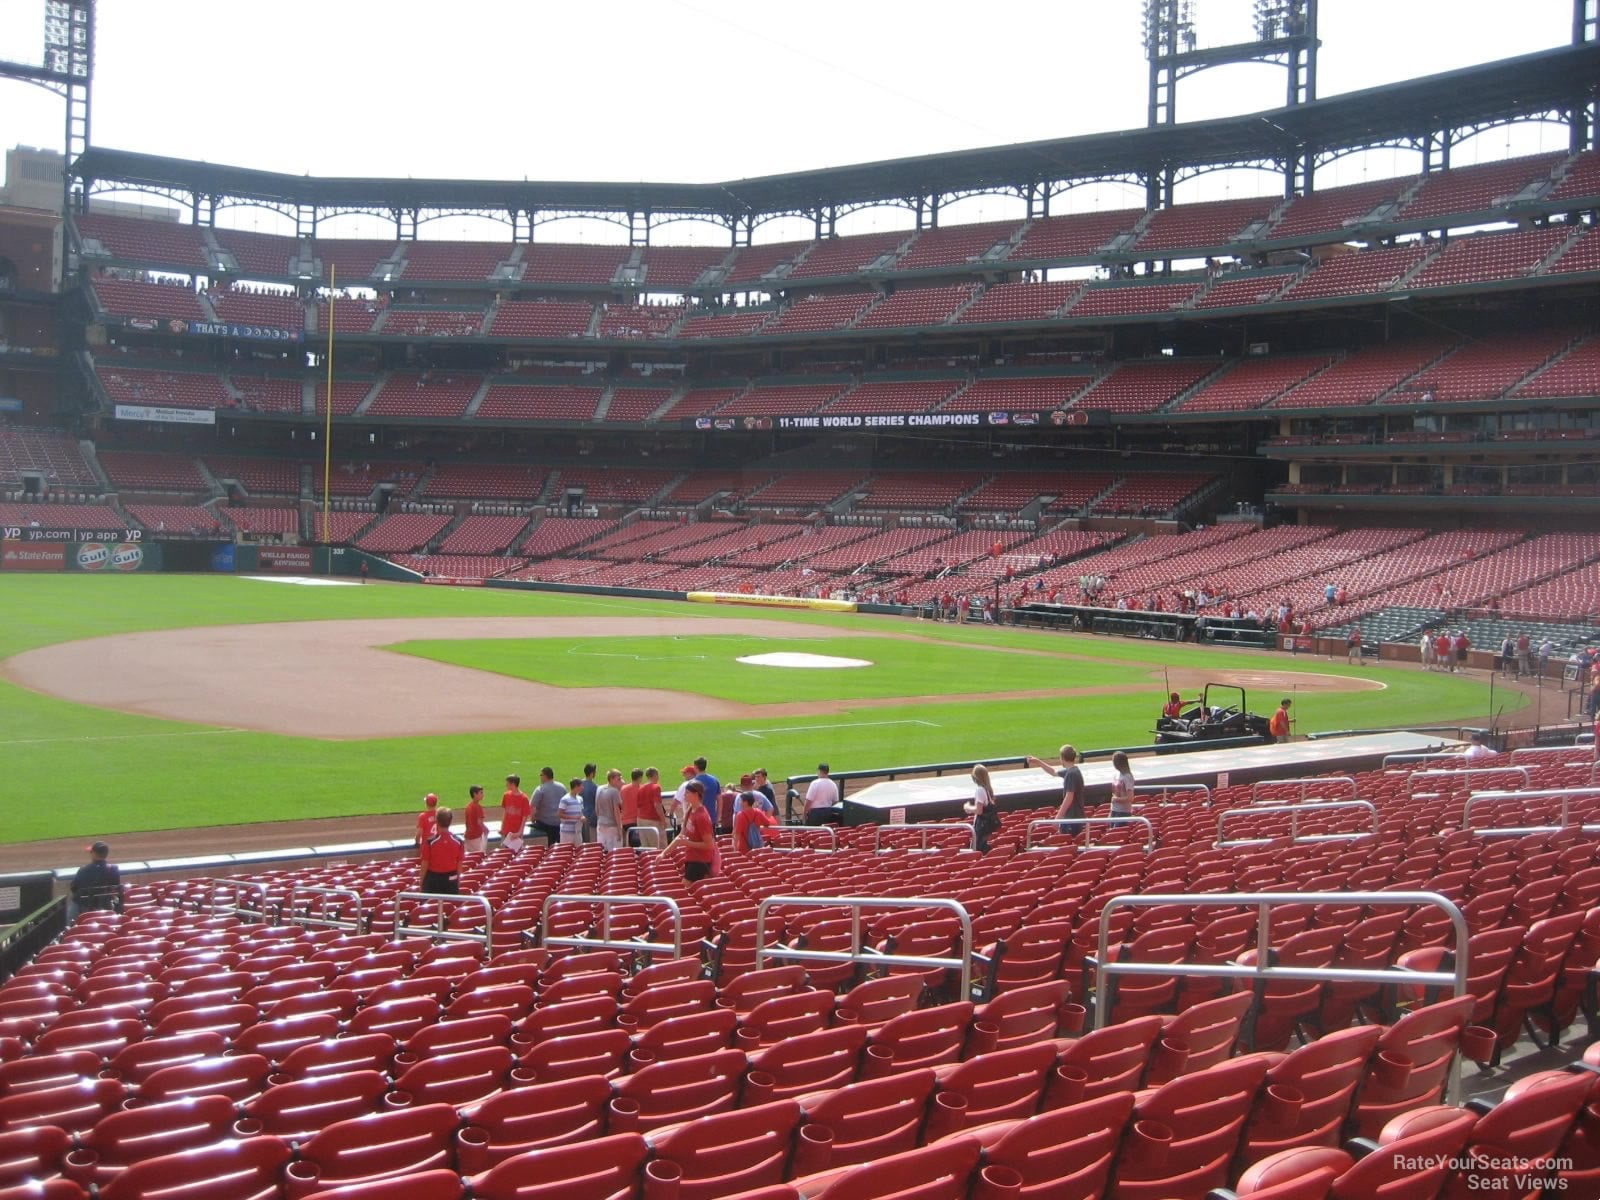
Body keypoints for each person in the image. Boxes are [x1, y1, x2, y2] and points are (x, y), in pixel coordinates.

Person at [1027, 744, 1085, 832]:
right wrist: (1038, 762)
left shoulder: (1071, 774)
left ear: (1062, 758)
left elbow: (1069, 797)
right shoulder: (1072, 771)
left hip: (1071, 817)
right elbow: (1053, 772)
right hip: (1075, 815)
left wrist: (1058, 817)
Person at [672, 780, 716, 881]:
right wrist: (664, 853)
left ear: (696, 794)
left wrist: (687, 843)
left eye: (687, 792)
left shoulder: (702, 817)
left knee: (687, 890)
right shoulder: (690, 810)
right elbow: (681, 835)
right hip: (691, 857)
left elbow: (709, 845)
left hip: (700, 861)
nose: (685, 795)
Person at [418, 808, 464, 894]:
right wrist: (458, 881)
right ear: (450, 821)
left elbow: (425, 864)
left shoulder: (430, 842)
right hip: (451, 880)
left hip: (433, 881)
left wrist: (421, 883)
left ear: (437, 821)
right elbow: (459, 864)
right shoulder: (458, 841)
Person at [71, 841, 123, 915]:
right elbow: (116, 887)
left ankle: (70, 924)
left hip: (86, 908)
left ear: (94, 854)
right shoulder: (113, 869)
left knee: (74, 902)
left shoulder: (83, 870)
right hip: (106, 905)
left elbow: (74, 888)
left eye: (91, 852)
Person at [967, 763, 998, 852]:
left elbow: (979, 810)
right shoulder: (987, 789)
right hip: (986, 826)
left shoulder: (980, 790)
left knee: (978, 849)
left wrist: (968, 808)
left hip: (981, 827)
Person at [532, 768, 565, 847]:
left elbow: (532, 806)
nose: (540, 777)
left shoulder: (540, 789)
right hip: (559, 823)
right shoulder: (562, 787)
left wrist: (533, 818)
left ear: (545, 776)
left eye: (541, 775)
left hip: (544, 825)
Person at [500, 774, 530, 854]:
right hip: (506, 831)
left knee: (516, 854)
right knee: (505, 853)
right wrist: (502, 827)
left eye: (507, 783)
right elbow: (505, 812)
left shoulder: (524, 798)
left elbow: (525, 817)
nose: (506, 785)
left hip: (516, 832)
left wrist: (520, 832)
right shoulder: (506, 795)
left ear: (512, 784)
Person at [635, 767, 665, 848]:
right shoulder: (656, 787)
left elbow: (638, 806)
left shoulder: (641, 788)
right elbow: (657, 805)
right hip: (652, 820)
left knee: (646, 847)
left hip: (640, 820)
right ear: (655, 775)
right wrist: (663, 820)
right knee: (659, 847)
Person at [596, 769, 624, 851]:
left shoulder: (599, 789)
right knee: (614, 851)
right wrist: (619, 829)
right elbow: (616, 811)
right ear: (611, 779)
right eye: (618, 779)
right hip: (612, 826)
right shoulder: (614, 791)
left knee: (603, 850)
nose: (620, 781)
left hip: (601, 823)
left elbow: (596, 808)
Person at [559, 779, 588, 846]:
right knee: (567, 851)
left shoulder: (580, 799)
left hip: (578, 832)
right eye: (581, 786)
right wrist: (574, 817)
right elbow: (560, 814)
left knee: (578, 851)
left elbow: (581, 813)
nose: (582, 788)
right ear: (576, 787)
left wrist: (583, 817)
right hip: (567, 832)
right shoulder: (565, 799)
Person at [1108, 751, 1135, 820]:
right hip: (1114, 810)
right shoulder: (1116, 775)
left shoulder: (1127, 777)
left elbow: (1130, 798)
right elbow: (1114, 794)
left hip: (1123, 812)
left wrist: (1117, 799)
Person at [462, 786, 487, 855]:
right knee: (478, 857)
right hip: (476, 837)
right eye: (481, 793)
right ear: (475, 794)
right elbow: (480, 823)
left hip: (468, 836)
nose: (483, 795)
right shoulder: (478, 807)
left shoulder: (468, 806)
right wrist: (486, 830)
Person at [620, 768, 642, 848]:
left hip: (625, 822)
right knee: (637, 847)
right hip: (636, 821)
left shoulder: (623, 789)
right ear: (639, 777)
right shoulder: (641, 789)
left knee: (630, 845)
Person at [579, 764, 599, 844]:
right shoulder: (595, 787)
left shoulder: (579, 784)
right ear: (591, 773)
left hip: (579, 816)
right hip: (590, 817)